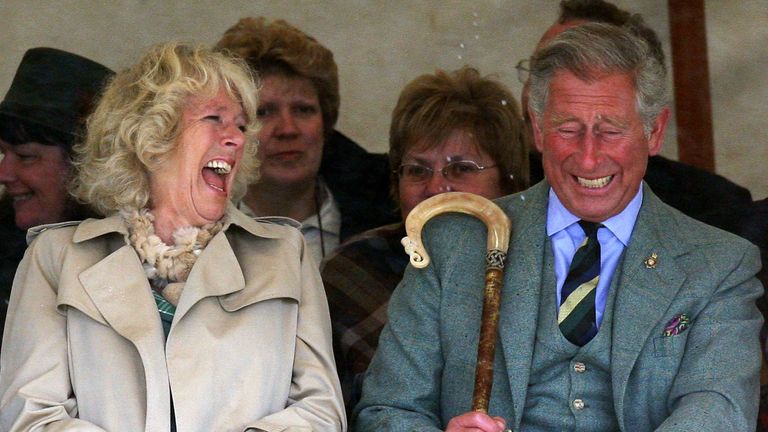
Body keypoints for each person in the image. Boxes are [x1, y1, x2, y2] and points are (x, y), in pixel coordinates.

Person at [354, 23, 762, 431]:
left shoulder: (719, 264)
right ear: (537, 129)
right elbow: (389, 408)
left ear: (653, 131)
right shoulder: (453, 245)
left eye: (609, 131)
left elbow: (717, 409)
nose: (588, 159)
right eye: (568, 129)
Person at [0, 42, 345, 431]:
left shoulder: (284, 254)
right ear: (151, 139)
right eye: (215, 118)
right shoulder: (56, 258)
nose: (236, 138)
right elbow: (29, 417)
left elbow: (321, 410)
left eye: (242, 126)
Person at [320, 66, 529, 412]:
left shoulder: (542, 265)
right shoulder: (348, 272)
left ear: (509, 182)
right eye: (417, 171)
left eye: (460, 168)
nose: (435, 189)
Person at [520, 0, 753, 234]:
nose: (532, 93)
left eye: (610, 130)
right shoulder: (500, 192)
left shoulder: (712, 210)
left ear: (653, 127)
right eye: (540, 72)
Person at [215, 17, 397, 266]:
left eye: (303, 110)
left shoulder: (387, 219)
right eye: (264, 112)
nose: (288, 129)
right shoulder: (196, 228)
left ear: (326, 121)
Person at [0, 47, 112, 344]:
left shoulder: (132, 269)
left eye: (25, 157)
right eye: (3, 154)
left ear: (83, 167)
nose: (4, 174)